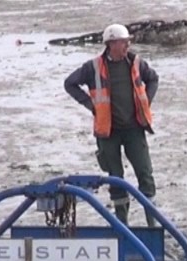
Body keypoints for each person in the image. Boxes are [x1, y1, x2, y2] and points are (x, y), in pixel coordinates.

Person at [63, 24, 160, 226]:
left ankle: (152, 224)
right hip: (108, 132)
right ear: (112, 44)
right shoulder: (93, 68)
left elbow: (153, 79)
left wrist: (146, 102)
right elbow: (69, 83)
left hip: (134, 129)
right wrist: (90, 105)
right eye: (124, 42)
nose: (128, 45)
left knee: (145, 174)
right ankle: (122, 225)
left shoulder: (136, 63)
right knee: (116, 178)